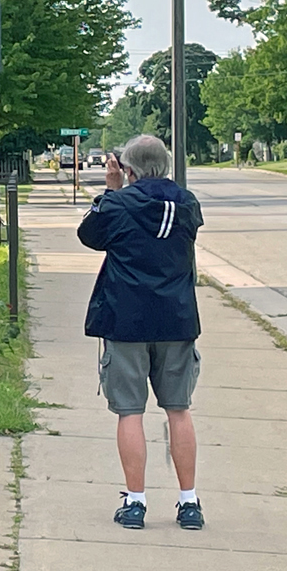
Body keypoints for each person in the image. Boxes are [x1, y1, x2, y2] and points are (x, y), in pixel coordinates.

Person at [77, 134, 205, 530]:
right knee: (178, 410)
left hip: (126, 318)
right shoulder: (186, 204)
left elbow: (90, 236)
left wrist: (110, 192)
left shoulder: (117, 204)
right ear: (165, 165)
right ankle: (189, 503)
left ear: (127, 169)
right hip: (177, 318)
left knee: (130, 412)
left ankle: (135, 502)